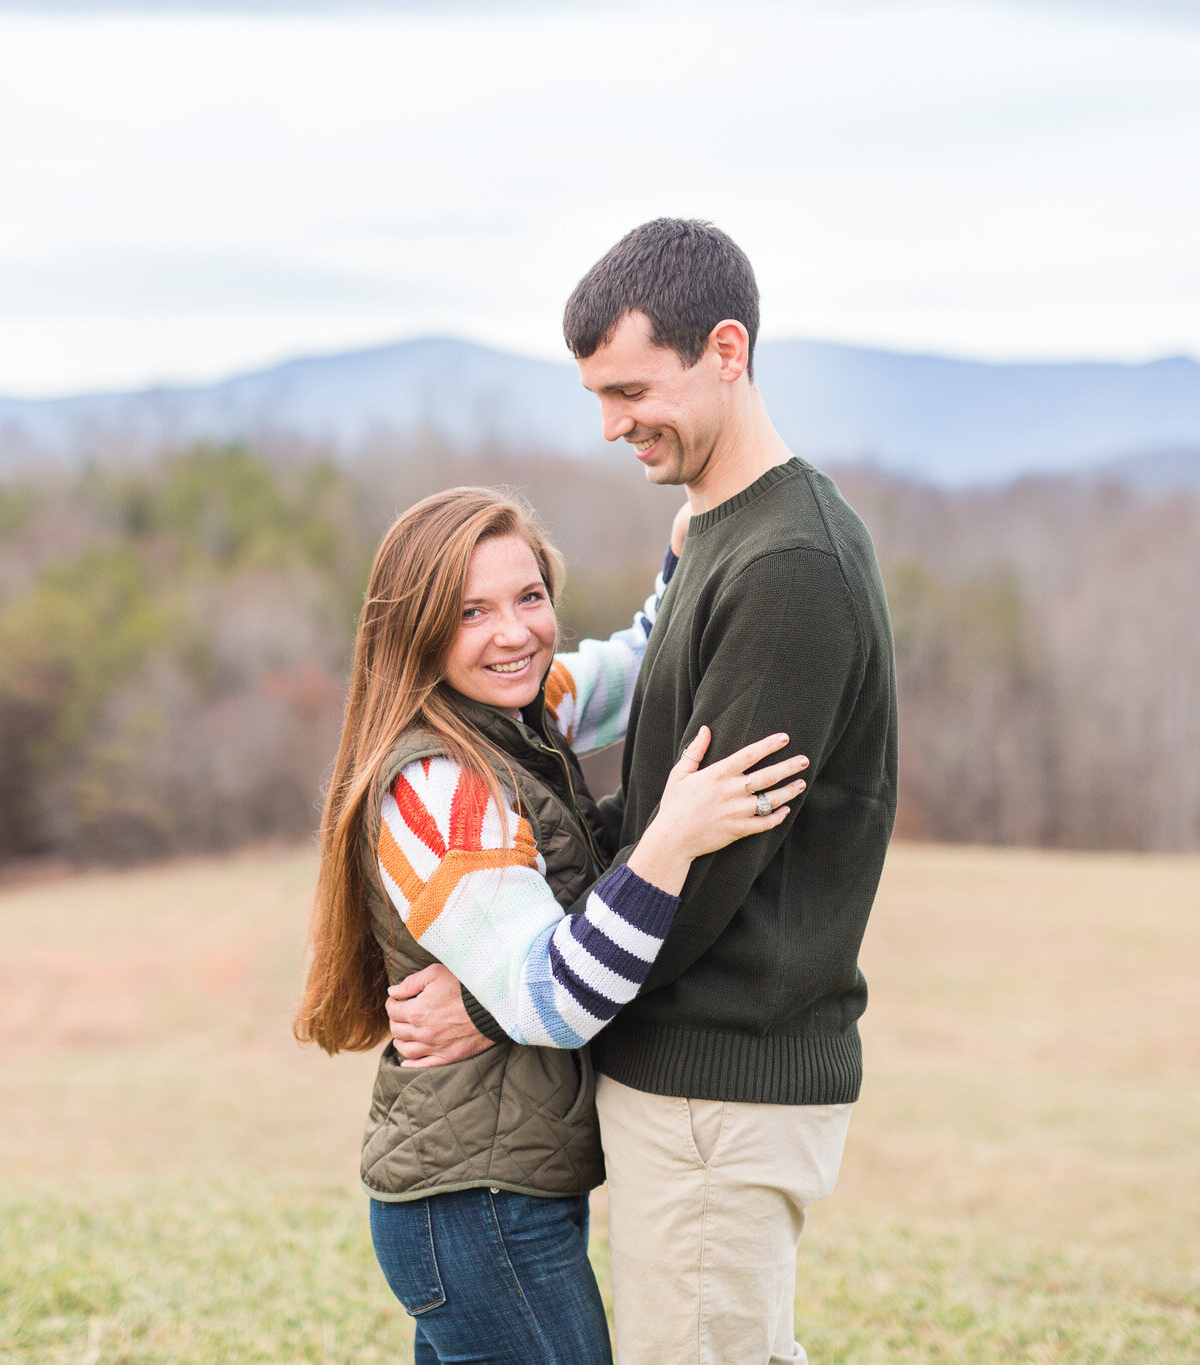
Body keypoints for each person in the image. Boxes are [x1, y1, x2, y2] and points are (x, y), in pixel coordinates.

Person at [386, 219, 898, 1364]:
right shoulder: (720, 537)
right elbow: (661, 792)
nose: (611, 423)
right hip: (683, 1079)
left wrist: (499, 1000)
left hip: (723, 1077)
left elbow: (705, 866)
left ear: (725, 349)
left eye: (629, 389)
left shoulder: (787, 566)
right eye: (597, 395)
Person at [295, 485, 808, 1364]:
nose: (515, 632)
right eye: (471, 611)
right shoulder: (440, 787)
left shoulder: (515, 711)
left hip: (499, 1192)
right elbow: (553, 1001)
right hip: (476, 1208)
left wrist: (689, 556)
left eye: (529, 597)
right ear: (414, 630)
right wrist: (671, 838)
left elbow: (640, 662)